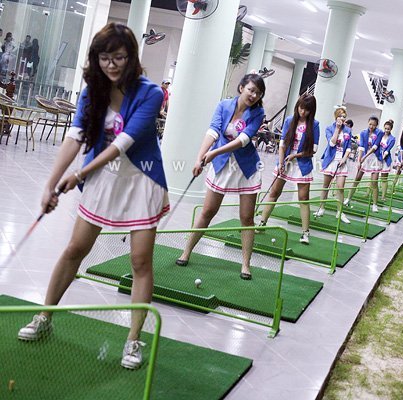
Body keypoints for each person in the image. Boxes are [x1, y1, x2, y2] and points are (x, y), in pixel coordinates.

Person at [17, 23, 168, 370]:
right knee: (75, 249)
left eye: (119, 57)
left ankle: (133, 339)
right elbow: (75, 137)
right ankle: (44, 316)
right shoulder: (93, 91)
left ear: (131, 57)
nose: (111, 65)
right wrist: (50, 184)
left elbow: (123, 143)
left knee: (140, 261)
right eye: (104, 57)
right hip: (103, 177)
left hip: (142, 178)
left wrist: (79, 174)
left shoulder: (150, 93)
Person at [176, 73, 266, 280]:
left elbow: (243, 140)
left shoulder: (258, 113)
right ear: (241, 88)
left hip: (246, 167)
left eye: (258, 93)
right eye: (251, 90)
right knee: (208, 211)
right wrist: (199, 158)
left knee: (246, 217)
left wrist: (215, 152)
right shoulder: (224, 105)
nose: (254, 95)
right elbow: (213, 131)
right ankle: (186, 252)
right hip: (222, 165)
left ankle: (245, 264)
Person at [257, 94, 319, 244]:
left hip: (302, 164)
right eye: (301, 108)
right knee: (274, 192)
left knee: (303, 198)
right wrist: (281, 163)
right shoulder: (290, 120)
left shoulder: (314, 125)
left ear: (311, 111)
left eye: (306, 110)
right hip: (285, 161)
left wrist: (295, 156)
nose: (302, 112)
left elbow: (313, 150)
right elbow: (282, 145)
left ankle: (305, 233)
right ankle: (262, 223)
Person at [315, 106, 352, 224]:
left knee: (340, 187)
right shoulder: (329, 128)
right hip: (330, 160)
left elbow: (349, 147)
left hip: (342, 162)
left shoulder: (348, 130)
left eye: (344, 117)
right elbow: (331, 143)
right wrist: (337, 128)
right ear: (336, 117)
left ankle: (340, 212)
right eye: (340, 116)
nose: (342, 118)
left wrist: (344, 159)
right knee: (326, 186)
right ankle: (321, 208)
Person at [344, 116, 385, 212]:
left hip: (374, 158)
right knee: (357, 178)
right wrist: (359, 160)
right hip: (364, 157)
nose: (371, 126)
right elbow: (361, 147)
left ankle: (375, 205)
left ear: (377, 125)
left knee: (374, 182)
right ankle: (348, 199)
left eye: (374, 125)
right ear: (368, 123)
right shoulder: (363, 133)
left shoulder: (380, 132)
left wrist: (364, 157)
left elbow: (375, 147)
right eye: (370, 124)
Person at [379, 120, 396, 202]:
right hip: (377, 158)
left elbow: (387, 150)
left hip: (385, 160)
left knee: (384, 178)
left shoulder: (392, 139)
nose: (386, 130)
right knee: (373, 176)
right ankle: (368, 193)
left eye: (388, 129)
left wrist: (382, 158)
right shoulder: (380, 135)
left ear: (391, 129)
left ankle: (383, 196)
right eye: (385, 128)